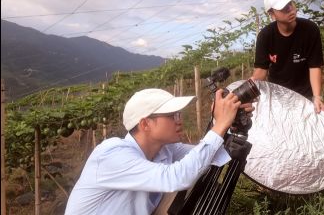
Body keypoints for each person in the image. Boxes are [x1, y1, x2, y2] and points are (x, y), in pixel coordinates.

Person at [65, 88, 253, 215]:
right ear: (145, 123)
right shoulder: (111, 154)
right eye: (172, 115)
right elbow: (177, 177)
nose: (179, 120)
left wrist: (231, 124)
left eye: (178, 114)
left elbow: (209, 156)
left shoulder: (165, 150)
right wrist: (220, 124)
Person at [252, 0, 324, 113]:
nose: (290, 10)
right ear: (272, 13)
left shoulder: (310, 30)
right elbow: (260, 72)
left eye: (290, 4)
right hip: (277, 96)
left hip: (305, 95)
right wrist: (242, 94)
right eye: (283, 8)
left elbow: (314, 66)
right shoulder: (265, 36)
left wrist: (317, 97)